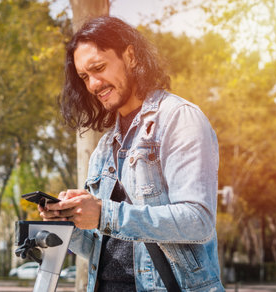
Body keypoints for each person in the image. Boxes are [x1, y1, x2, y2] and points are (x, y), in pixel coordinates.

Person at [39, 16, 224, 292]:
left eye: (99, 68)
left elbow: (198, 221)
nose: (92, 84)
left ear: (131, 56)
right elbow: (102, 250)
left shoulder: (179, 119)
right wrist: (72, 222)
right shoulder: (104, 148)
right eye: (84, 77)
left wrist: (104, 214)